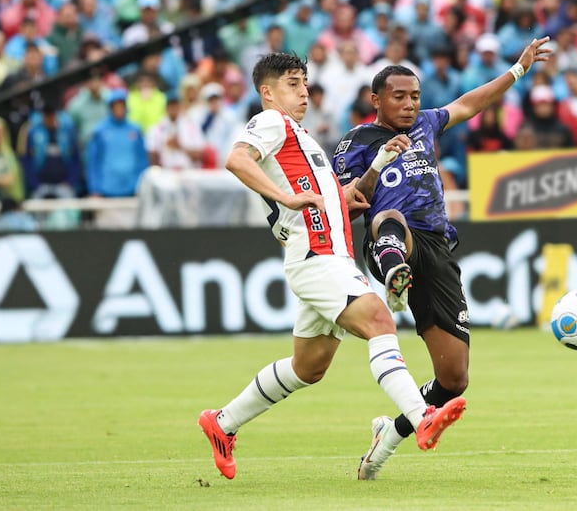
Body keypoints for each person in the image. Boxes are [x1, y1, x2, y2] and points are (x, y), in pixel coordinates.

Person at [198, 53, 466, 481]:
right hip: (316, 256)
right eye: (291, 84)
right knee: (380, 320)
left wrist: (372, 170)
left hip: (326, 254)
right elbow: (237, 159)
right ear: (268, 92)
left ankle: (222, 423)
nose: (303, 91)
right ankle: (421, 417)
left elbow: (327, 202)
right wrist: (285, 199)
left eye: (304, 82)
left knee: (309, 367)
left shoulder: (300, 140)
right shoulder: (272, 123)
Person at [332, 36, 552, 480]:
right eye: (399, 97)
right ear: (375, 100)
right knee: (392, 219)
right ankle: (395, 276)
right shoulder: (355, 142)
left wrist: (517, 70)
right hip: (390, 237)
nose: (410, 104)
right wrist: (375, 167)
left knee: (454, 381)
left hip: (438, 248)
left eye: (415, 96)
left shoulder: (427, 126)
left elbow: (471, 103)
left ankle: (388, 435)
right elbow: (344, 203)